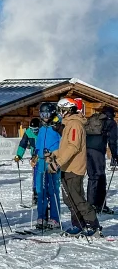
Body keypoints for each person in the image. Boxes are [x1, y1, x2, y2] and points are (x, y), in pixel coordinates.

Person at [48, 98, 101, 237]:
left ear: (67, 110)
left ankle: (93, 225)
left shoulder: (75, 125)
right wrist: (54, 154)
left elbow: (73, 147)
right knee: (68, 199)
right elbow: (65, 147)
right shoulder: (68, 124)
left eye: (61, 110)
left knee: (77, 198)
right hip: (66, 166)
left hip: (74, 167)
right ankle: (78, 224)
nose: (59, 113)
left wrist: (57, 162)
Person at [34, 102, 62, 229]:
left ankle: (55, 218)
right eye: (42, 114)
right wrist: (35, 154)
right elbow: (38, 143)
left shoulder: (57, 126)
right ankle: (42, 217)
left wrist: (54, 155)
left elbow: (62, 144)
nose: (45, 117)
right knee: (41, 191)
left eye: (47, 114)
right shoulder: (41, 127)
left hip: (52, 161)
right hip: (40, 161)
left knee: (53, 190)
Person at [86, 106, 116, 214]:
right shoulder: (111, 122)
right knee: (100, 176)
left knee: (92, 177)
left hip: (86, 149)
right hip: (98, 151)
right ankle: (100, 204)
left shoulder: (94, 119)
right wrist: (115, 155)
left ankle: (91, 204)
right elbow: (112, 141)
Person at [14, 117, 40, 205]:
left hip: (45, 156)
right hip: (35, 158)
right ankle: (36, 194)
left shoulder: (43, 131)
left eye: (36, 129)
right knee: (36, 176)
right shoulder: (28, 132)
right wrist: (19, 155)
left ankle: (47, 194)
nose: (34, 131)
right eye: (32, 129)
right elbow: (23, 144)